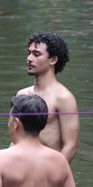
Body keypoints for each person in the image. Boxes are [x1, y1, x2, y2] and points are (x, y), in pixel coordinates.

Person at [16, 32, 79, 163]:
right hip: (21, 168)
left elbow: (70, 147)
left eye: (36, 54)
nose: (29, 58)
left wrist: (50, 174)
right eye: (29, 52)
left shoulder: (63, 98)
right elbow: (16, 140)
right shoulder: (22, 95)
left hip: (48, 169)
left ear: (53, 60)